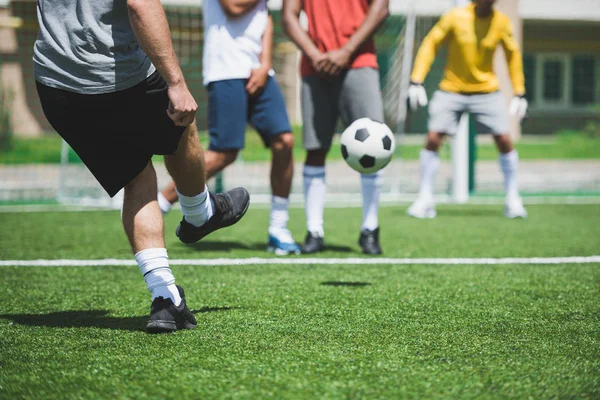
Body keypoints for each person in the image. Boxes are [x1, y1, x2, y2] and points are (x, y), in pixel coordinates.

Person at [33, 0, 250, 333]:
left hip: (55, 84)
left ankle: (165, 299)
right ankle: (199, 213)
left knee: (137, 176)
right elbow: (140, 4)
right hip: (116, 74)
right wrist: (176, 83)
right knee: (181, 120)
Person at [158, 0, 301, 255]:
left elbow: (265, 17)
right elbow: (233, 6)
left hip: (259, 72)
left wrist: (265, 63)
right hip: (225, 70)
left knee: (285, 141)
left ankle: (278, 228)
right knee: (224, 152)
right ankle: (159, 203)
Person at [282, 0, 390, 255]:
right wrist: (315, 54)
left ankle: (370, 229)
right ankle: (314, 230)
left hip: (360, 61)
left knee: (374, 146)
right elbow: (289, 17)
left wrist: (346, 51)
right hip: (314, 65)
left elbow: (382, 8)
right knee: (315, 148)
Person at [407, 0, 529, 219]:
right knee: (433, 138)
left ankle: (513, 198)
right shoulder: (455, 16)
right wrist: (416, 80)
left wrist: (519, 92)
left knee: (504, 140)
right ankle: (424, 199)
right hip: (451, 90)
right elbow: (431, 43)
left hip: (487, 91)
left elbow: (513, 56)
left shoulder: (501, 22)